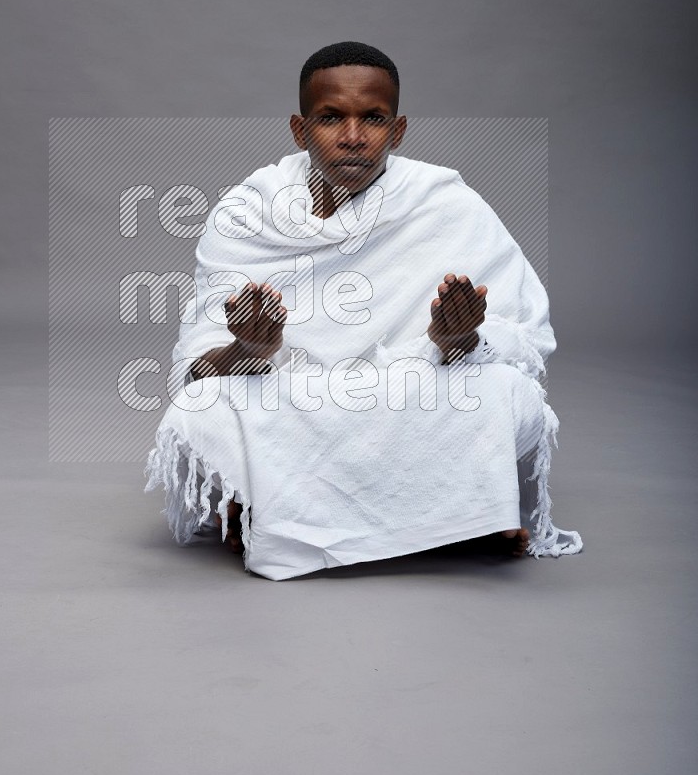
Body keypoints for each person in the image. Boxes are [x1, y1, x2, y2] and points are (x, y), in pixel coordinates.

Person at [145, 41, 582, 580]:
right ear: (299, 130)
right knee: (205, 408)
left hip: (403, 390)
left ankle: (275, 513)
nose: (353, 137)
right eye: (330, 118)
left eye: (373, 118)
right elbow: (195, 371)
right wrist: (249, 349)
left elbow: (526, 342)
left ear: (397, 131)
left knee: (503, 392)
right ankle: (454, 521)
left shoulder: (446, 203)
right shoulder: (249, 212)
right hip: (296, 398)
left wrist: (460, 341)